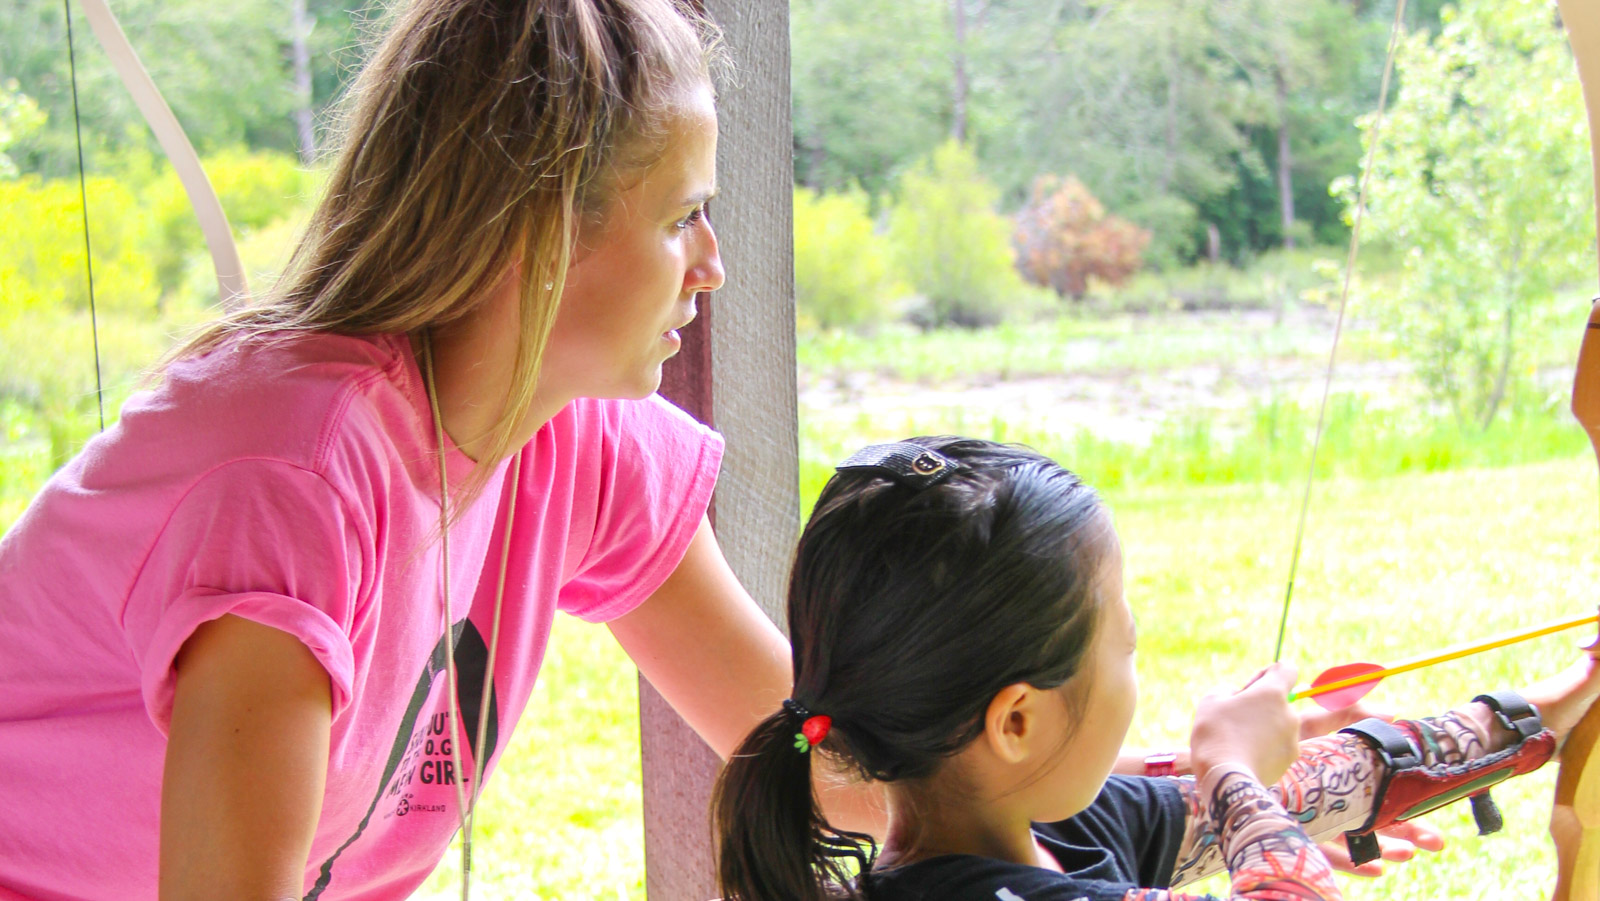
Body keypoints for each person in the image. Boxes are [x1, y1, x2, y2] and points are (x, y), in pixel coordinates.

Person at [0, 2, 805, 899]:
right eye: (683, 216)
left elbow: (800, 749)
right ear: (541, 227)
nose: (712, 264)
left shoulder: (577, 433)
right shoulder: (292, 476)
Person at [713, 437, 1600, 901]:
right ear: (1017, 720)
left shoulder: (1061, 827)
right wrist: (1232, 772)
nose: (1134, 669)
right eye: (1124, 645)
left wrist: (1544, 712)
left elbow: (1343, 782)